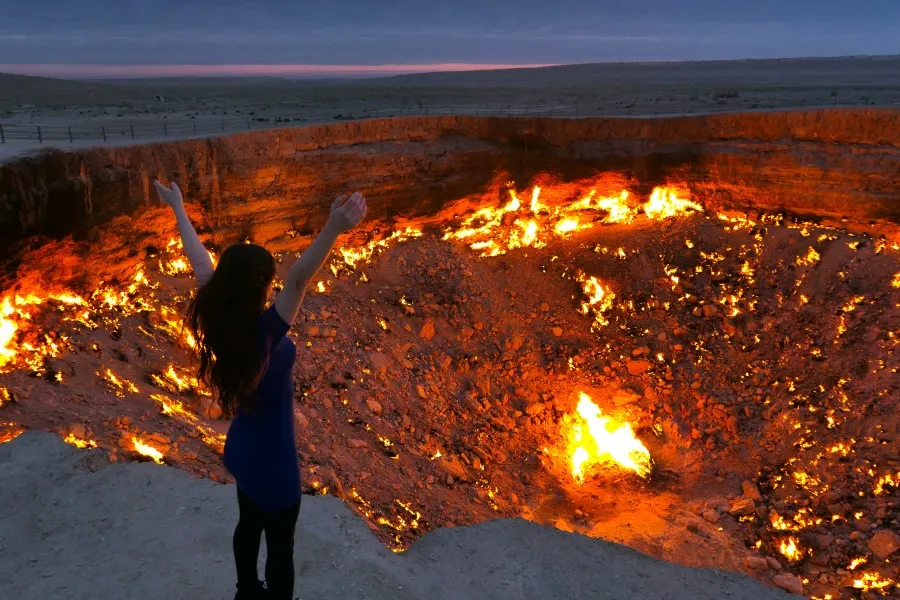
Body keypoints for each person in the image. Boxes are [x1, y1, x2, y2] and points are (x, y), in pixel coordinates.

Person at [153, 180, 367, 600]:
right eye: (270, 282)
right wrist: (333, 227)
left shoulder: (219, 320)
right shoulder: (266, 332)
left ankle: (247, 591)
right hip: (274, 463)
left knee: (247, 525)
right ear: (261, 288)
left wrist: (178, 208)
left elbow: (199, 261)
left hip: (242, 451)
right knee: (281, 548)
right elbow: (301, 280)